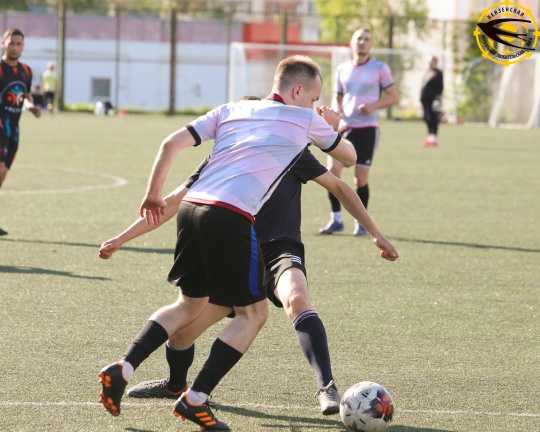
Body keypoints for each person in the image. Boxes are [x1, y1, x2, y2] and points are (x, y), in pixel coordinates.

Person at [98, 55, 358, 430]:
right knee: (253, 314)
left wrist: (150, 196)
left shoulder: (231, 112)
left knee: (188, 306)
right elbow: (348, 158)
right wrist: (330, 128)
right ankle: (195, 398)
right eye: (313, 98)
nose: (314, 106)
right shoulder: (301, 121)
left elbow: (170, 147)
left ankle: (124, 366)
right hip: (230, 220)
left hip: (195, 211)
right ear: (298, 91)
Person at [98, 141, 398, 416]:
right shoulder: (223, 153)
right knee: (181, 334)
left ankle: (326, 387)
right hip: (237, 254)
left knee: (297, 298)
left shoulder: (289, 149)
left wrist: (376, 234)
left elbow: (339, 184)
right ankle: (176, 385)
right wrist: (122, 237)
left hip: (279, 249)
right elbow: (175, 200)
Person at [319, 28, 399, 237]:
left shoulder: (380, 68)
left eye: (367, 39)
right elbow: (337, 96)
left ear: (371, 44)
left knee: (360, 179)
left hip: (368, 129)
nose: (362, 42)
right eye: (359, 39)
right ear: (352, 43)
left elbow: (393, 96)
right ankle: (336, 219)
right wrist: (337, 111)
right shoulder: (342, 69)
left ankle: (361, 222)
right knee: (332, 171)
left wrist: (373, 106)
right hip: (345, 127)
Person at [0, 28, 41, 236]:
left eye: (19, 44)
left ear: (23, 46)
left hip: (13, 131)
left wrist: (30, 107)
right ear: (3, 43)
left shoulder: (26, 70)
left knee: (2, 175)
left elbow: (24, 95)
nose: (15, 47)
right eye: (11, 43)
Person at [420, 56, 443, 147]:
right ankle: (430, 138)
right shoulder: (428, 72)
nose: (429, 63)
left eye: (431, 61)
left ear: (435, 62)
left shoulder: (438, 73)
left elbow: (440, 87)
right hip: (425, 100)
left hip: (432, 100)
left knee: (433, 119)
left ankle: (433, 139)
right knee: (426, 118)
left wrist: (437, 100)